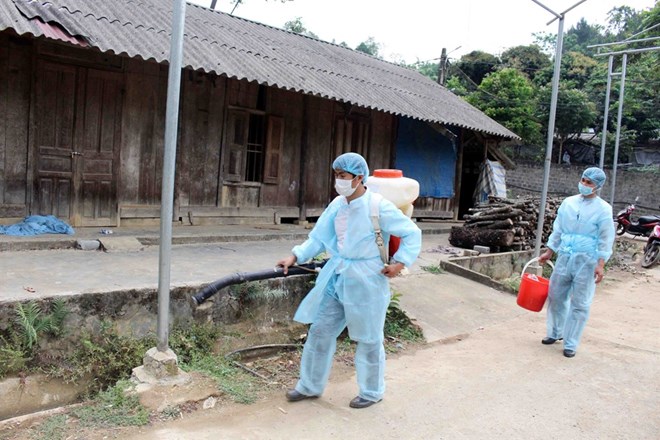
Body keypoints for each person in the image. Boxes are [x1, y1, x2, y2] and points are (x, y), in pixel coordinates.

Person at [277, 152, 422, 409]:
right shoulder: (337, 205)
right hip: (338, 276)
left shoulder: (378, 206)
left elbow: (411, 232)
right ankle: (309, 385)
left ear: (359, 177)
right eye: (336, 175)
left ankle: (371, 391)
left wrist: (400, 263)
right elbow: (318, 238)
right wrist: (295, 255)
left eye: (343, 176)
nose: (338, 181)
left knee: (369, 338)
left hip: (368, 280)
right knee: (320, 331)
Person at [537, 167, 615, 358]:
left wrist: (600, 263)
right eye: (583, 180)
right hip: (565, 256)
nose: (585, 185)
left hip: (586, 260)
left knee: (580, 303)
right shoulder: (568, 203)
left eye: (589, 183)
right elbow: (558, 229)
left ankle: (571, 343)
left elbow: (606, 237)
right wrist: (549, 251)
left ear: (597, 187)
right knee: (556, 296)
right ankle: (555, 332)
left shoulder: (603, 209)